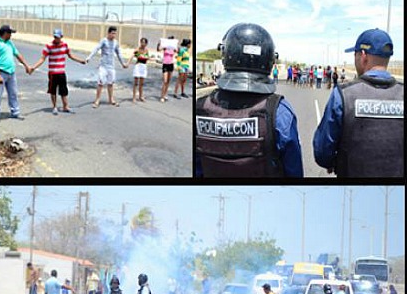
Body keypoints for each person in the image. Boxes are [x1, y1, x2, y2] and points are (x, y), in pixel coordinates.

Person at [196, 23, 304, 178]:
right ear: (269, 59)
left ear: (226, 54)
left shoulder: (200, 109)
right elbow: (294, 171)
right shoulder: (279, 112)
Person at [312, 28, 403, 178]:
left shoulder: (344, 94)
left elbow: (322, 152)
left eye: (355, 55)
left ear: (363, 56)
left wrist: (332, 161)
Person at [29, 28, 86, 115]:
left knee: (64, 90)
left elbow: (70, 55)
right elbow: (42, 58)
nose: (56, 39)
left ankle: (65, 106)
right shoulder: (49, 46)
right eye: (55, 37)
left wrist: (80, 61)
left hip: (61, 72)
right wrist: (34, 67)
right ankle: (54, 107)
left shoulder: (65, 45)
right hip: (52, 73)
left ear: (61, 37)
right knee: (53, 90)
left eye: (58, 37)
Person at [0, 25, 31, 123]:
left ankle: (15, 112)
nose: (11, 35)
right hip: (1, 72)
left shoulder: (10, 43)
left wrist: (26, 65)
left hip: (11, 73)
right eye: (10, 33)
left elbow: (17, 55)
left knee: (13, 93)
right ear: (5, 33)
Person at [85, 26, 128, 108]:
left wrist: (123, 63)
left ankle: (111, 99)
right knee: (100, 83)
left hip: (111, 67)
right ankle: (97, 100)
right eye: (112, 33)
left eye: (115, 33)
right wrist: (89, 58)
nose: (114, 35)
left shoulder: (116, 42)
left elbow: (119, 53)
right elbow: (96, 49)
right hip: (103, 66)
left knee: (111, 83)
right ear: (108, 33)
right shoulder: (104, 41)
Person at [126, 37, 150, 103]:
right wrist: (128, 63)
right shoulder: (137, 49)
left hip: (144, 66)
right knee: (136, 83)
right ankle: (134, 97)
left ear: (146, 44)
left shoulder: (146, 50)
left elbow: (147, 58)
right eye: (141, 42)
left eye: (144, 42)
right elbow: (133, 56)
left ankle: (141, 96)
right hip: (138, 66)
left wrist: (148, 58)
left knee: (141, 83)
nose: (142, 44)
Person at [156, 36, 177, 102]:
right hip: (165, 64)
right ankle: (162, 96)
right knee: (165, 81)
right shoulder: (165, 47)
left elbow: (178, 51)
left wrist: (176, 45)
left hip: (171, 64)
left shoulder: (173, 48)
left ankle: (165, 94)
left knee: (168, 81)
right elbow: (158, 49)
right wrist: (159, 43)